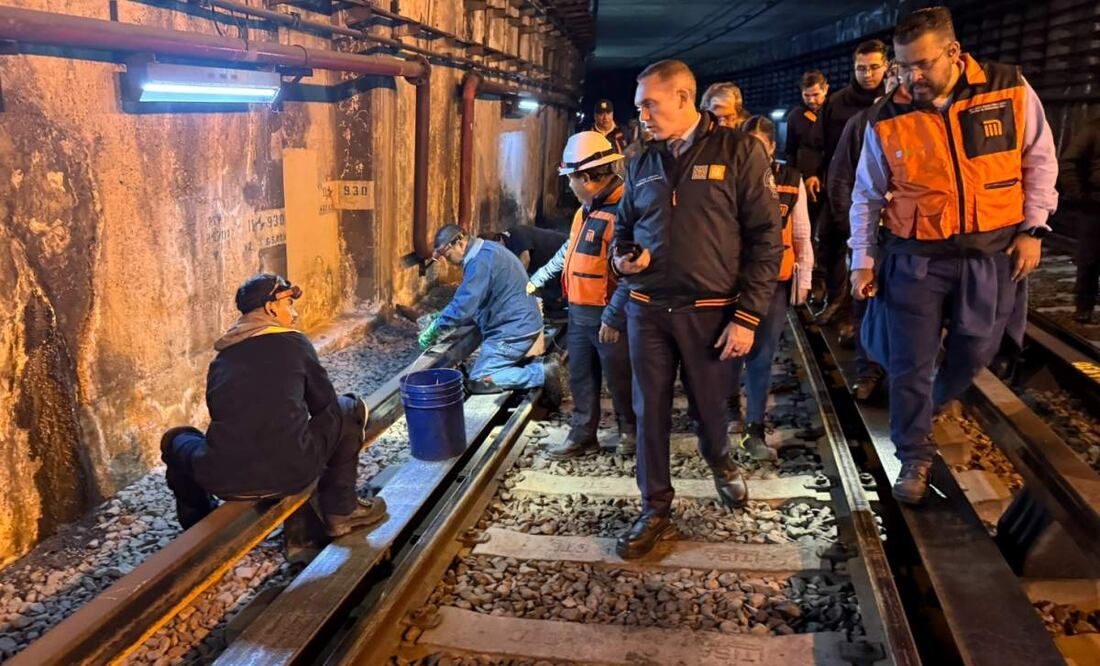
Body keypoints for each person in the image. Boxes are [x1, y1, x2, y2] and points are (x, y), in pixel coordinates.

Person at [850, 6, 1058, 504]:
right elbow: (867, 194)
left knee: (977, 346)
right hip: (915, 258)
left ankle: (939, 398)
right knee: (909, 362)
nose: (911, 76)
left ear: (954, 53)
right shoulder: (887, 116)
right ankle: (914, 456)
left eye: (921, 64)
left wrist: (1034, 229)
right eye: (903, 66)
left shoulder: (1008, 90)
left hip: (991, 254)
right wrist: (862, 258)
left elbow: (1039, 159)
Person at [612, 59, 782, 558]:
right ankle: (655, 509)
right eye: (640, 104)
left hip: (710, 313)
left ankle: (720, 460)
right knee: (650, 414)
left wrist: (748, 315)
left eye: (650, 103)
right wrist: (624, 259)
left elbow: (765, 240)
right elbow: (623, 228)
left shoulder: (740, 152)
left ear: (684, 99)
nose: (641, 113)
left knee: (711, 410)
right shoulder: (642, 158)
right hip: (648, 311)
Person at [160, 274, 387, 537]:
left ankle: (199, 522)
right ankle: (342, 510)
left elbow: (225, 415)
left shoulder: (223, 358)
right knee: (349, 409)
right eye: (288, 303)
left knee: (176, 439)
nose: (293, 312)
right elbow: (325, 407)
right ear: (270, 308)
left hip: (223, 477)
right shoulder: (295, 343)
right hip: (292, 473)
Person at [527, 131, 637, 457]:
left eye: (570, 178)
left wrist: (615, 316)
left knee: (621, 380)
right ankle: (582, 434)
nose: (568, 186)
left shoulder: (624, 213)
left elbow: (634, 274)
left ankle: (630, 433)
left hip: (608, 315)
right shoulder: (586, 209)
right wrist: (536, 280)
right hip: (580, 311)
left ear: (586, 177)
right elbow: (569, 250)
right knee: (581, 378)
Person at [728, 116, 814, 460]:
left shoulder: (791, 182)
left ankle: (754, 428)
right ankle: (729, 407)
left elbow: (802, 234)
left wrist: (803, 279)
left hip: (772, 284)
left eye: (759, 148)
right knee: (729, 351)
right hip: (731, 280)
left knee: (761, 355)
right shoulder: (728, 179)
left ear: (773, 149)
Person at [420, 224, 562, 403]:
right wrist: (442, 316)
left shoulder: (480, 262)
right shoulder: (489, 250)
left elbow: (464, 305)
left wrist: (437, 326)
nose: (449, 262)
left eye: (448, 256)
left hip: (514, 331)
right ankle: (535, 368)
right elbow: (475, 303)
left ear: (460, 244)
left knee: (480, 378)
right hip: (522, 323)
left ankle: (541, 373)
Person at [826, 64, 900, 401]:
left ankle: (904, 379)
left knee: (908, 312)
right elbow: (842, 180)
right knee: (867, 306)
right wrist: (855, 233)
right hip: (874, 236)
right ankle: (868, 372)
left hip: (911, 241)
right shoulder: (865, 123)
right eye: (897, 78)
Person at [810, 40, 889, 329]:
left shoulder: (895, 102)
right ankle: (837, 301)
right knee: (831, 246)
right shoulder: (837, 104)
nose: (867, 74)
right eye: (861, 68)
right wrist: (817, 174)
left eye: (873, 68)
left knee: (870, 257)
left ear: (887, 67)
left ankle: (858, 316)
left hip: (878, 192)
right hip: (841, 187)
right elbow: (823, 147)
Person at [1058, 117, 1100, 324]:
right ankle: (1084, 305)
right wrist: (1078, 195)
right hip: (1095, 205)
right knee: (1089, 259)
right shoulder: (1093, 128)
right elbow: (1068, 162)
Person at [483, 225, 569, 320]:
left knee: (561, 299)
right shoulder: (506, 249)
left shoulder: (515, 233)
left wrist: (514, 286)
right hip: (550, 267)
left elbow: (525, 259)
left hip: (564, 255)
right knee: (550, 304)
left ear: (497, 240)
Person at [785, 70, 829, 204]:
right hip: (802, 178)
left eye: (816, 95)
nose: (811, 100)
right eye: (806, 95)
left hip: (829, 177)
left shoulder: (834, 111)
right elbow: (790, 152)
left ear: (825, 89)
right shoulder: (795, 116)